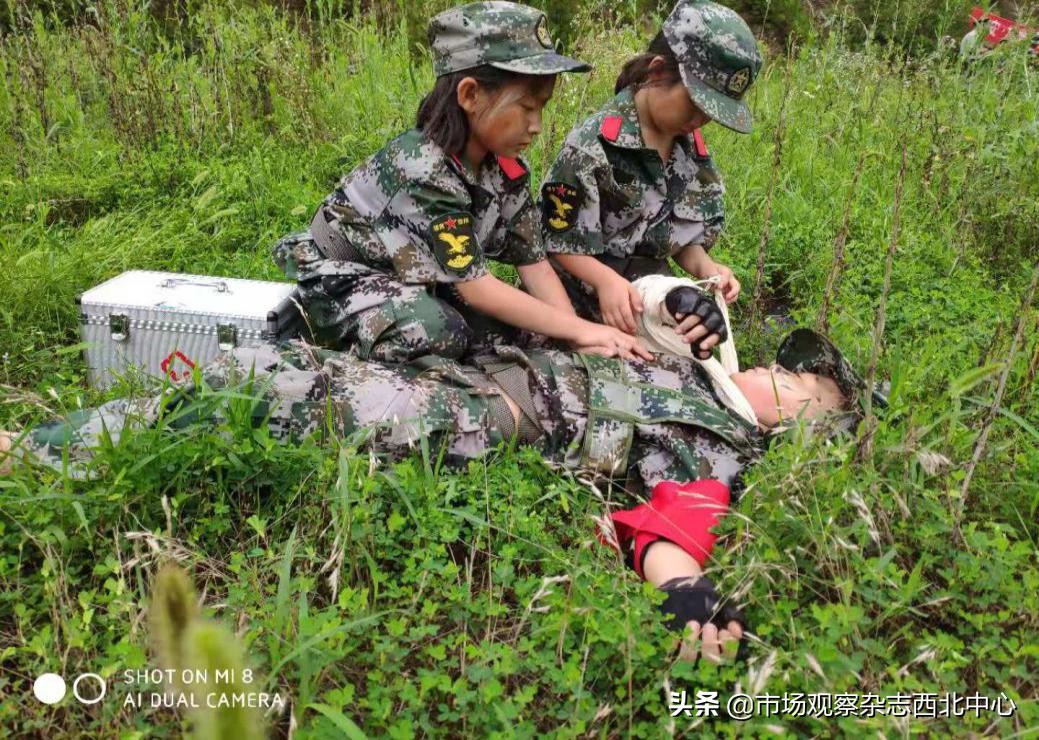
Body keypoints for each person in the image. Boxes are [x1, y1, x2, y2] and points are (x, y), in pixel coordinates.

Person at [1, 281, 878, 664]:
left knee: (268, 389)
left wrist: (688, 596)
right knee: (263, 379)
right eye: (788, 367)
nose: (776, 373)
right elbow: (647, 296)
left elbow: (674, 526)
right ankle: (56, 444)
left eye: (799, 387)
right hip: (463, 373)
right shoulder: (701, 370)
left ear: (800, 425)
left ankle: (37, 454)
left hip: (470, 420)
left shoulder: (714, 439)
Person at [272, 1, 651, 363]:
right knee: (437, 331)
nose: (536, 125)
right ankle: (335, 368)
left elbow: (534, 264)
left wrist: (577, 337)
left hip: (413, 281)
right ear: (470, 95)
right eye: (526, 107)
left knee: (523, 331)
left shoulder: (506, 169)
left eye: (543, 108)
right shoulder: (422, 167)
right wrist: (584, 332)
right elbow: (478, 289)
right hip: (343, 279)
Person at [539, 0, 761, 353]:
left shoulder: (690, 154)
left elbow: (682, 240)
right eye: (696, 105)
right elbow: (557, 242)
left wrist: (709, 267)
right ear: (658, 72)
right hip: (574, 308)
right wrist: (605, 280)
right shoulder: (593, 146)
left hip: (647, 305)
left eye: (711, 115)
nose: (700, 121)